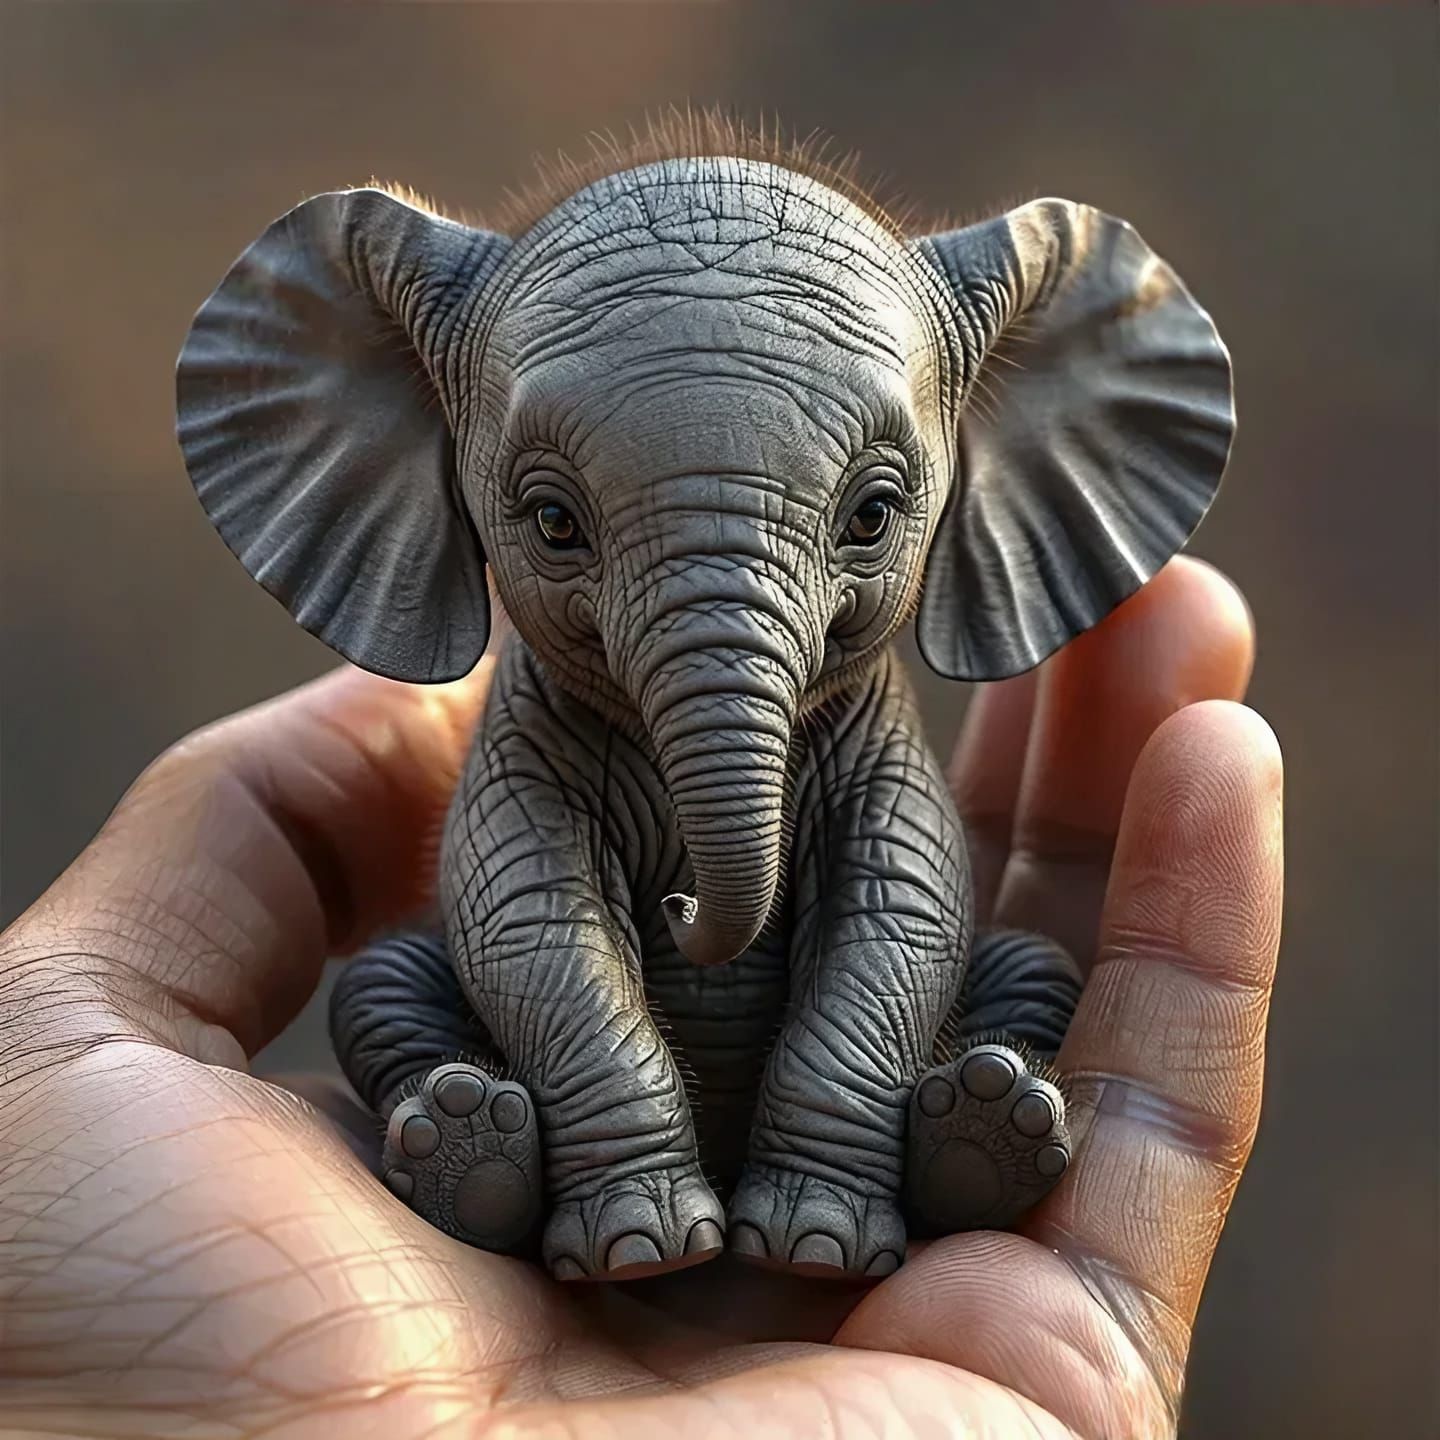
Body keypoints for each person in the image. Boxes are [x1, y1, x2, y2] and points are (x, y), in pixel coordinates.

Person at [0, 556, 1280, 1439]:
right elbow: (529, 916)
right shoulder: (528, 729)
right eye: (563, 522)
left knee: (1012, 982)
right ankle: (525, 1167)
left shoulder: (864, 737)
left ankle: (903, 1156)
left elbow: (895, 910)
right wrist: (617, 1144)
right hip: (548, 1106)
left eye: (868, 513)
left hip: (869, 1098)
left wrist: (831, 1134)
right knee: (396, 988)